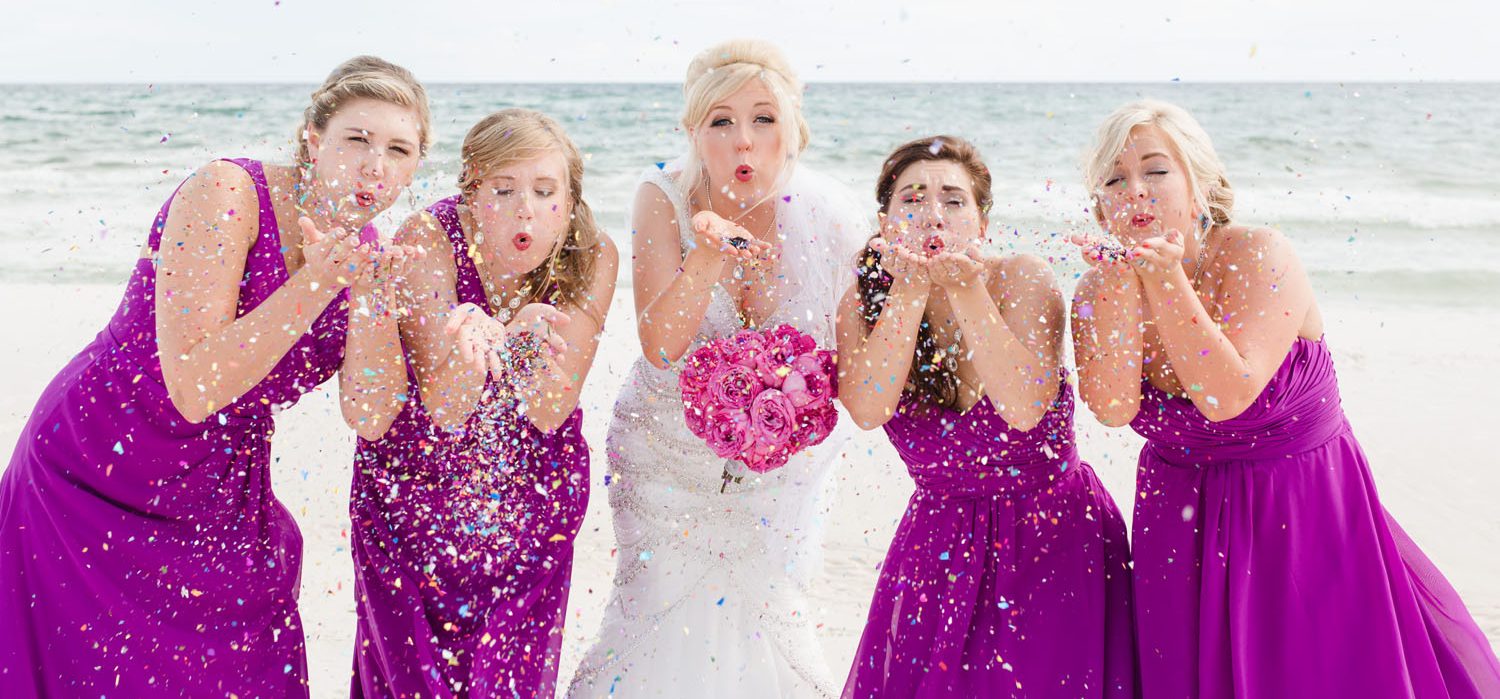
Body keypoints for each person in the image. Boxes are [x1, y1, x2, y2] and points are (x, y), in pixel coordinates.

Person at [0, 55, 430, 697]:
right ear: (314, 140)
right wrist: (316, 283)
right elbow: (194, 386)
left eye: (400, 150)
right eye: (358, 139)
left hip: (219, 494)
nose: (376, 166)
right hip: (95, 469)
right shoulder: (228, 192)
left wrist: (369, 302)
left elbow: (370, 414)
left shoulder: (362, 255)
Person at [1071, 98, 1500, 698]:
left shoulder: (1258, 253)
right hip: (1180, 514)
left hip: (1300, 508)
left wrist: (1165, 280)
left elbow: (1226, 395)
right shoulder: (1099, 287)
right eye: (1114, 180)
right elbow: (1112, 407)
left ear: (1202, 185)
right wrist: (1122, 285)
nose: (1134, 190)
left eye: (1155, 170)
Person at [567, 39, 870, 697]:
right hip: (664, 457)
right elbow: (663, 347)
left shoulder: (831, 214)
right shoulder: (661, 195)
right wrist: (704, 259)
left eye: (764, 118)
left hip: (777, 479)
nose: (743, 141)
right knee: (656, 611)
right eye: (720, 121)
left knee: (769, 615)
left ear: (795, 129)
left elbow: (859, 372)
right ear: (693, 129)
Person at [838, 135, 1136, 698]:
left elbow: (1023, 408)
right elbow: (867, 407)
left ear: (982, 225)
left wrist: (965, 287)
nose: (933, 212)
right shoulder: (862, 303)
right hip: (938, 546)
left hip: (1055, 535)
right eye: (912, 198)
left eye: (954, 200)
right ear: (884, 223)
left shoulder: (1021, 277)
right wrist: (911, 287)